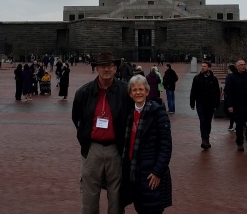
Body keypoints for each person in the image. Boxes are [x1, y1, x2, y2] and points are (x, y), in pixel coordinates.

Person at [72, 51, 133, 214]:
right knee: (89, 197)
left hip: (116, 149)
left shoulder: (125, 91)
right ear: (97, 68)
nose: (107, 69)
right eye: (103, 66)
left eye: (110, 66)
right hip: (92, 149)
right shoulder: (83, 93)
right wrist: (85, 139)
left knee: (116, 199)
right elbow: (77, 118)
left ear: (115, 69)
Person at [121, 75, 172, 214]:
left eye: (141, 89)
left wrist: (157, 172)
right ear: (130, 93)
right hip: (135, 173)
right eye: (134, 90)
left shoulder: (158, 112)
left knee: (152, 209)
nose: (138, 92)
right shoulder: (129, 113)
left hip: (150, 174)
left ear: (147, 91)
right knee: (141, 208)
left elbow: (166, 146)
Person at [190, 61, 220, 150]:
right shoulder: (197, 78)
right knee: (202, 120)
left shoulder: (213, 79)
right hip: (200, 103)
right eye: (202, 66)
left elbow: (217, 92)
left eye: (204, 66)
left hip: (210, 104)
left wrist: (217, 103)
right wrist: (192, 103)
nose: (202, 67)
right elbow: (193, 91)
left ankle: (207, 137)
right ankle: (204, 140)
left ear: (209, 68)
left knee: (208, 121)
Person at [225, 59, 247, 152]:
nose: (243, 66)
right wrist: (230, 105)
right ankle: (240, 143)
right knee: (239, 126)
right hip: (237, 105)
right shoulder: (231, 77)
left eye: (244, 64)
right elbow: (228, 92)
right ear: (237, 67)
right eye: (241, 65)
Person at [223, 64, 236, 131]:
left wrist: (224, 92)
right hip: (234, 97)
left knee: (231, 112)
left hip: (231, 97)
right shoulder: (235, 76)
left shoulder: (229, 77)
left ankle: (231, 125)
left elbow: (227, 86)